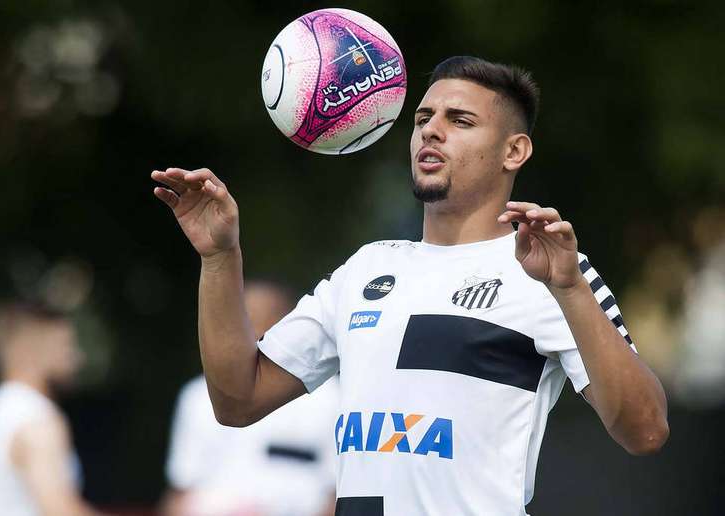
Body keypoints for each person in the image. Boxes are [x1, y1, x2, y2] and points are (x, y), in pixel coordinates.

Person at [151, 56, 669, 516]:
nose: (431, 131)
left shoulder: (552, 268)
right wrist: (220, 257)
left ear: (514, 151)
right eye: (423, 119)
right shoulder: (365, 270)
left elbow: (645, 431)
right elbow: (237, 400)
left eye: (460, 120)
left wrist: (571, 288)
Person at [162, 280, 338, 516]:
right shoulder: (196, 396)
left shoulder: (330, 397)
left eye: (262, 318)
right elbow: (182, 489)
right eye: (242, 318)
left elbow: (336, 492)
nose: (251, 330)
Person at [0, 301, 105, 516]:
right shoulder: (36, 419)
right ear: (35, 350)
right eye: (65, 346)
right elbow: (60, 510)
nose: (76, 358)